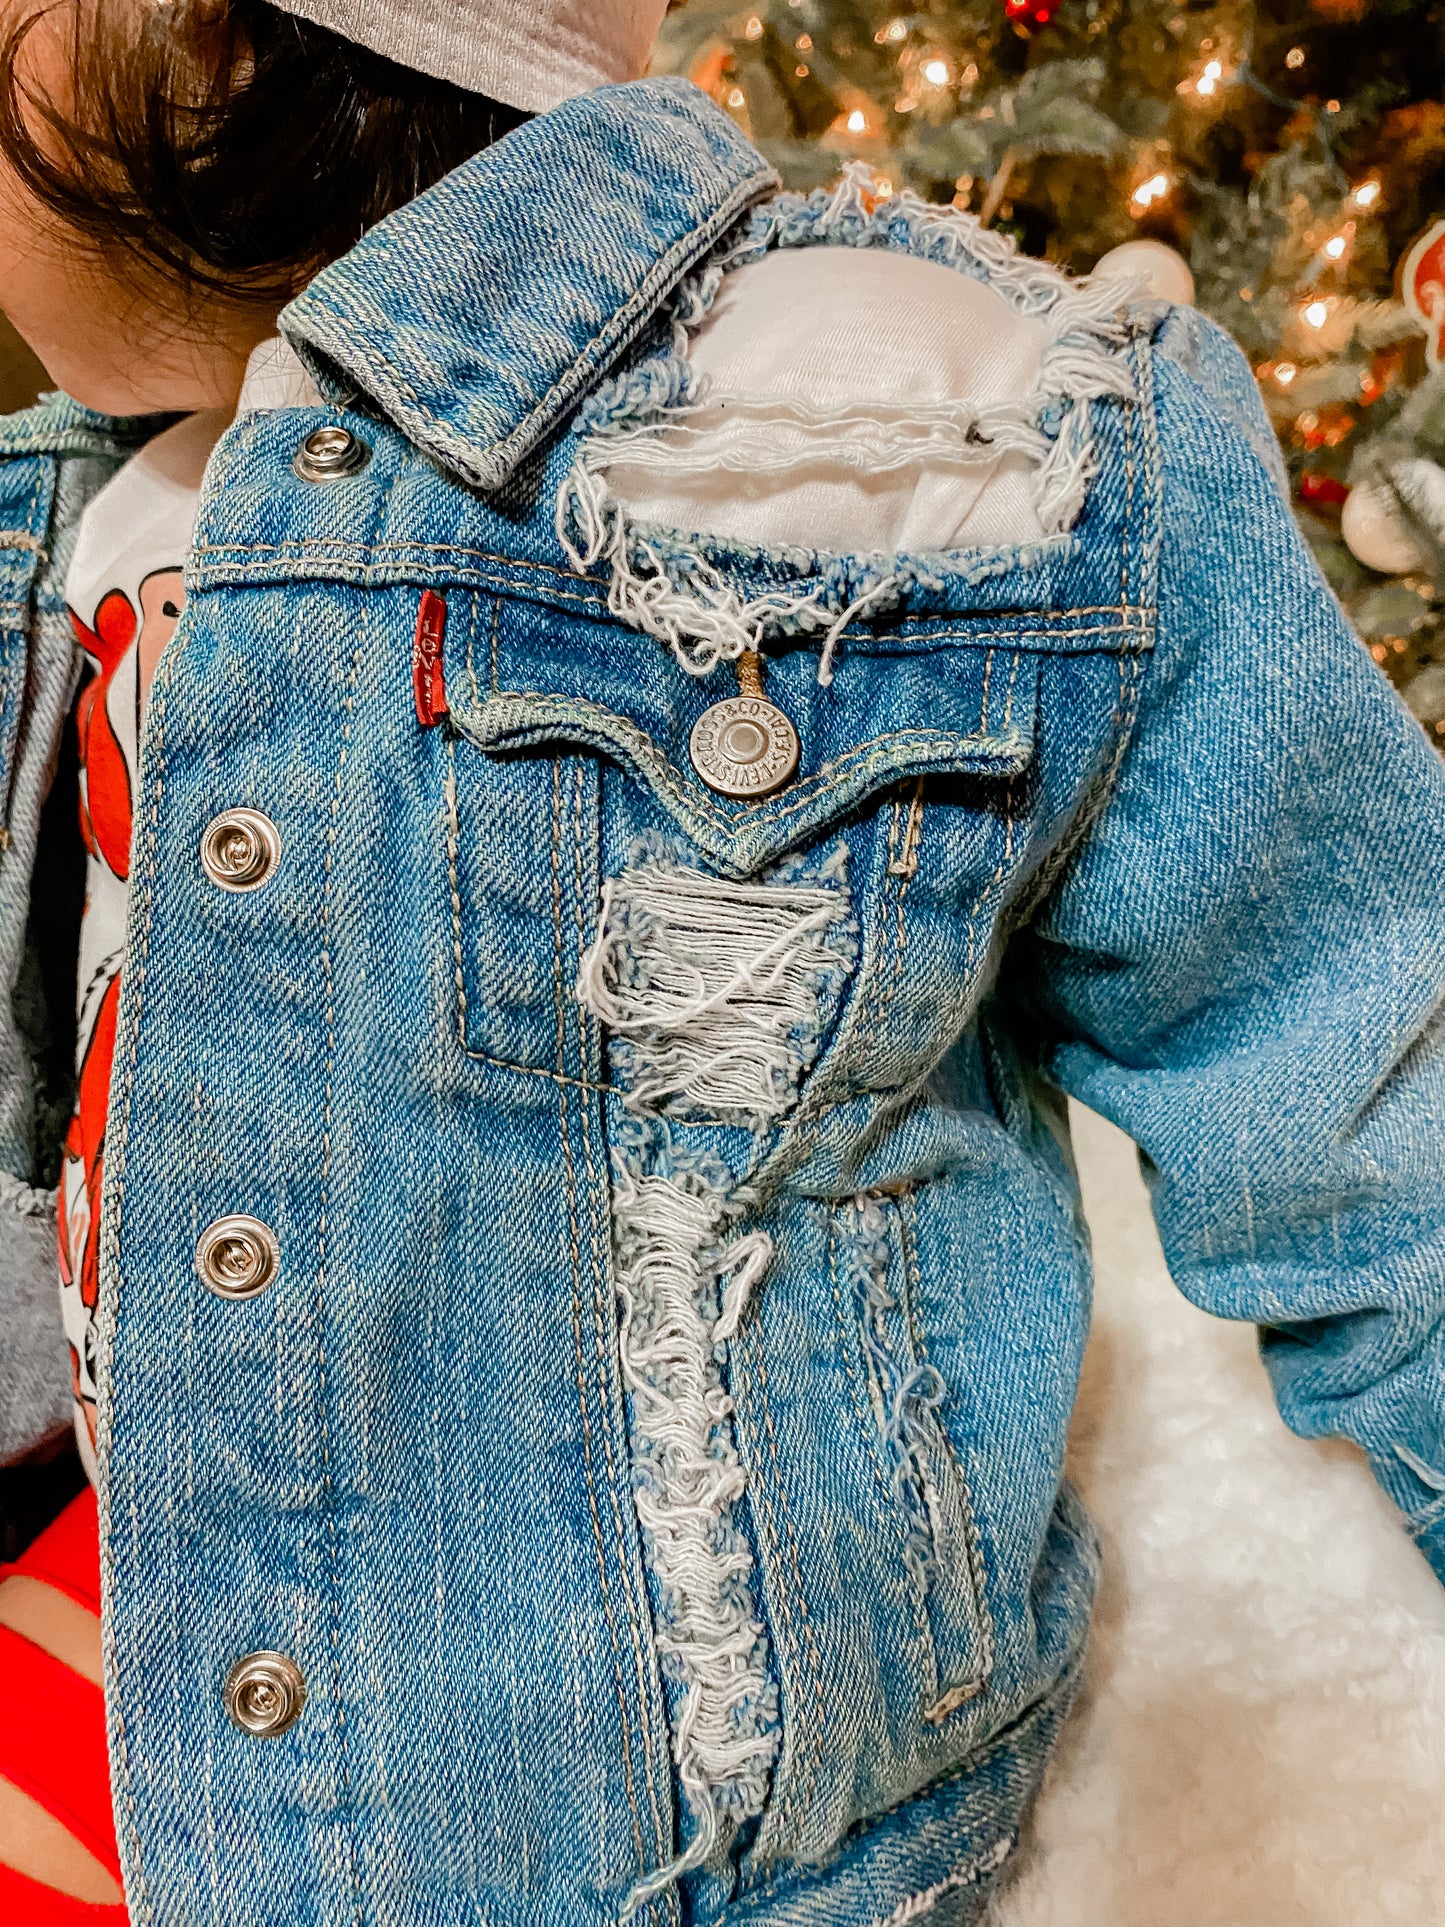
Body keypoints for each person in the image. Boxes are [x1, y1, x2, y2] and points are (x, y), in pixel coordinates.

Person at [0, 1, 1443, 1923]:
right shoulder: (73, 503)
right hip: (153, 1647)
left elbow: (1368, 1088)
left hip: (705, 1851)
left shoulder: (942, 444)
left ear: (214, 31)